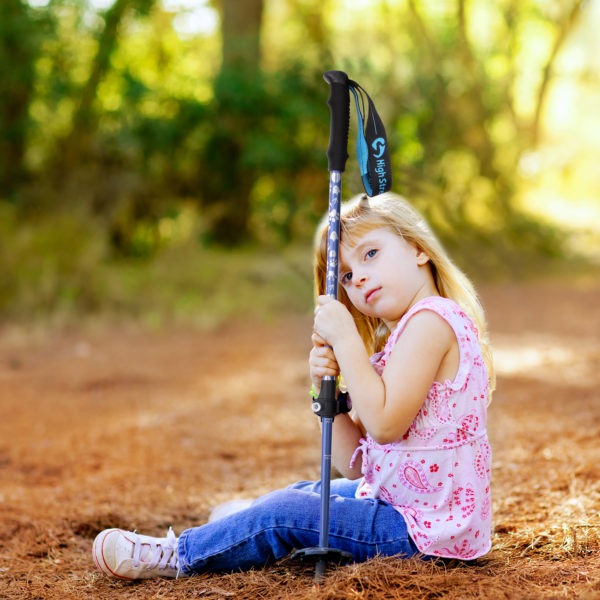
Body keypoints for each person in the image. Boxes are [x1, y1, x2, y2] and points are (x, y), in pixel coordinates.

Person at [92, 192, 495, 580]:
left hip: (424, 530)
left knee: (288, 511)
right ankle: (250, 521)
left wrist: (348, 343)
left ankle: (180, 554)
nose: (361, 278)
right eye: (349, 276)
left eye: (371, 253)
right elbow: (356, 464)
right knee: (310, 491)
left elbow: (385, 425)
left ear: (418, 249)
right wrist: (326, 395)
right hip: (406, 507)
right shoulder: (402, 337)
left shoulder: (432, 320)